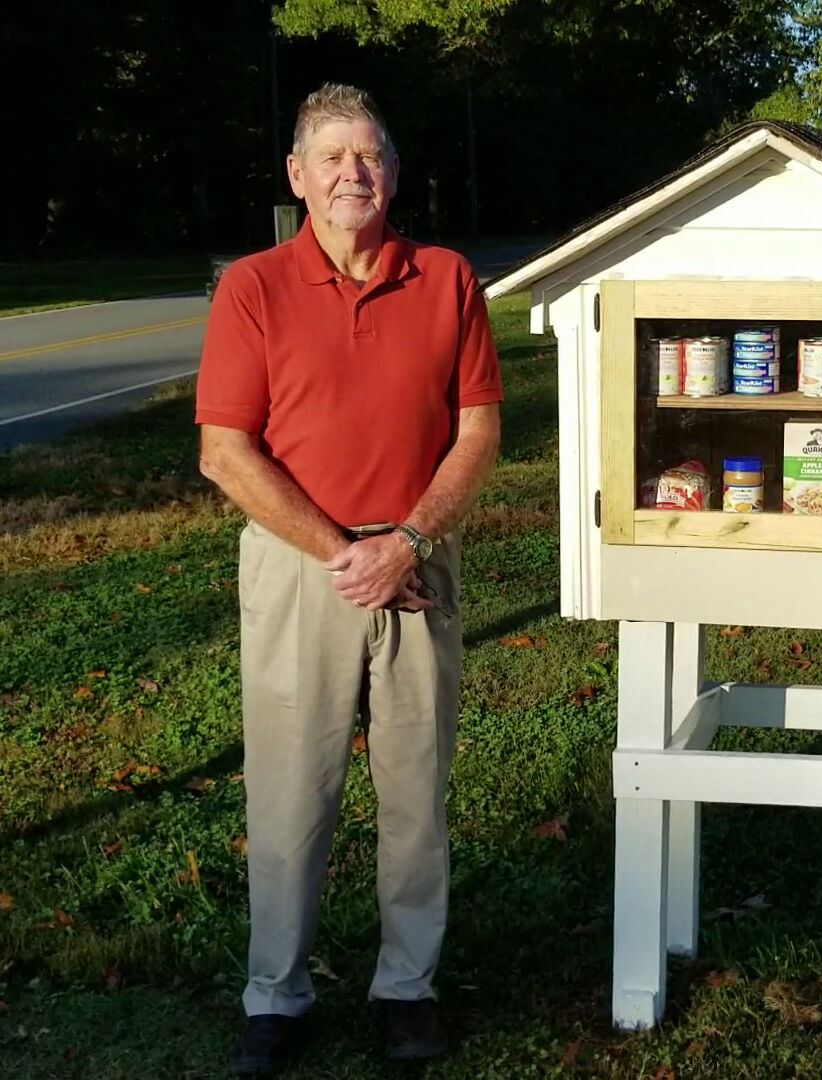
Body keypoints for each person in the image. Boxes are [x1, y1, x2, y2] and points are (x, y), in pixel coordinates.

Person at [195, 82, 503, 1074]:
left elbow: (479, 430)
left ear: (394, 172)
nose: (351, 174)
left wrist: (408, 542)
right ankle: (275, 995)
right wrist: (345, 553)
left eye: (368, 155)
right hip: (301, 567)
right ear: (297, 176)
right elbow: (225, 453)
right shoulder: (253, 286)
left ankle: (406, 985)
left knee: (415, 788)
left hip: (418, 556)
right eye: (330, 158)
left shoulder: (447, 278)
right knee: (291, 792)